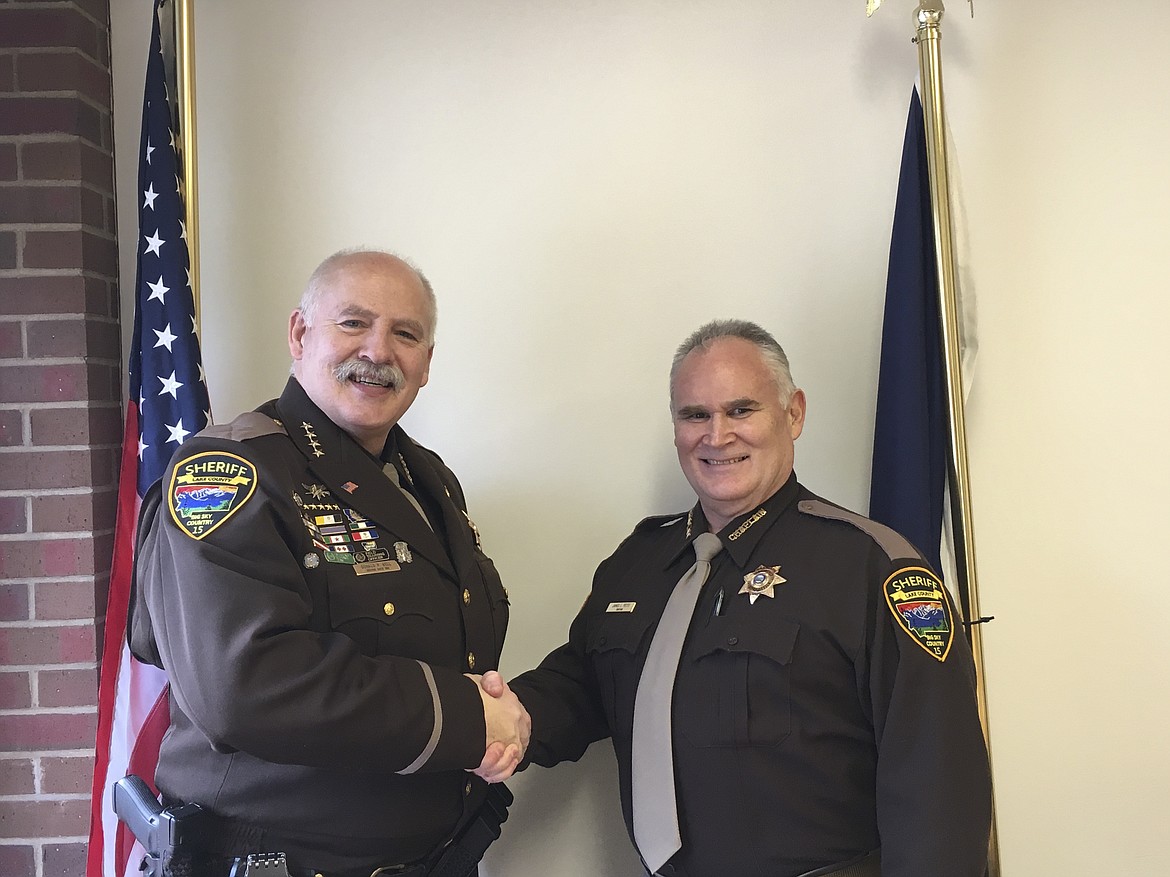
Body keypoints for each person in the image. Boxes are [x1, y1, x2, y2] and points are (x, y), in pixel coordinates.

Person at [479, 319, 992, 877]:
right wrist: (496, 719)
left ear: (793, 413)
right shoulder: (640, 563)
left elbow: (939, 777)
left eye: (741, 410)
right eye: (694, 414)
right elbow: (581, 687)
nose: (716, 436)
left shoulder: (872, 566)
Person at [129, 249, 529, 877]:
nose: (378, 350)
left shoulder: (429, 480)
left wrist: (484, 725)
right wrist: (463, 718)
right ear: (299, 333)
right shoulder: (229, 473)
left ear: (426, 362)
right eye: (353, 323)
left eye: (406, 333)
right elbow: (246, 683)